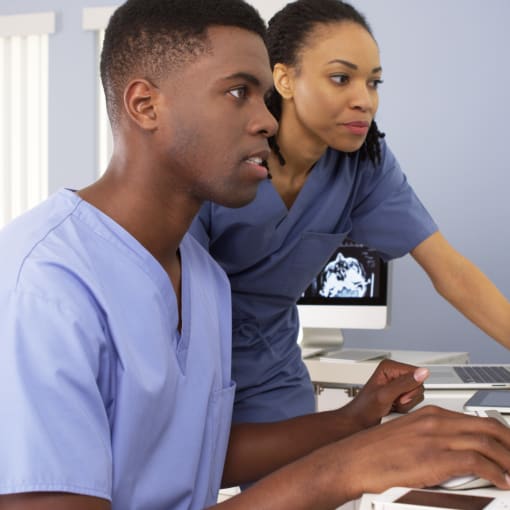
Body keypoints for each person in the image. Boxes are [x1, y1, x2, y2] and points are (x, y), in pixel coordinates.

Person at [2, 0, 510, 509]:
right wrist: (348, 465)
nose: (268, 121)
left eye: (263, 98)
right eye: (239, 92)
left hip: (274, 370)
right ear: (145, 105)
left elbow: (187, 455)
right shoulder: (46, 288)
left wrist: (352, 424)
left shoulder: (202, 280)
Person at [189, 0, 510, 426]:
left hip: (271, 370)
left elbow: (452, 272)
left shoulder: (364, 165)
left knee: (300, 485)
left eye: (373, 82)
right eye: (341, 78)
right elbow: (164, 292)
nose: (364, 100)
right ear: (283, 79)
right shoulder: (216, 153)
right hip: (187, 361)